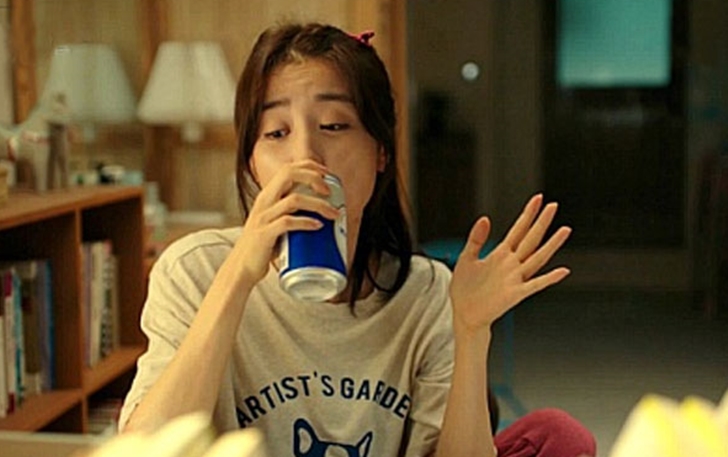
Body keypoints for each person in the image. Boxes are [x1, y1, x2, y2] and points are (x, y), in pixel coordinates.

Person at [119, 22, 596, 457]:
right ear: (252, 165)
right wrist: (237, 277)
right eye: (276, 132)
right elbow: (146, 450)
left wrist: (471, 332)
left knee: (558, 437)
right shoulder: (194, 270)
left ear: (380, 153)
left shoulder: (426, 292)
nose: (305, 156)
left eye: (333, 126)